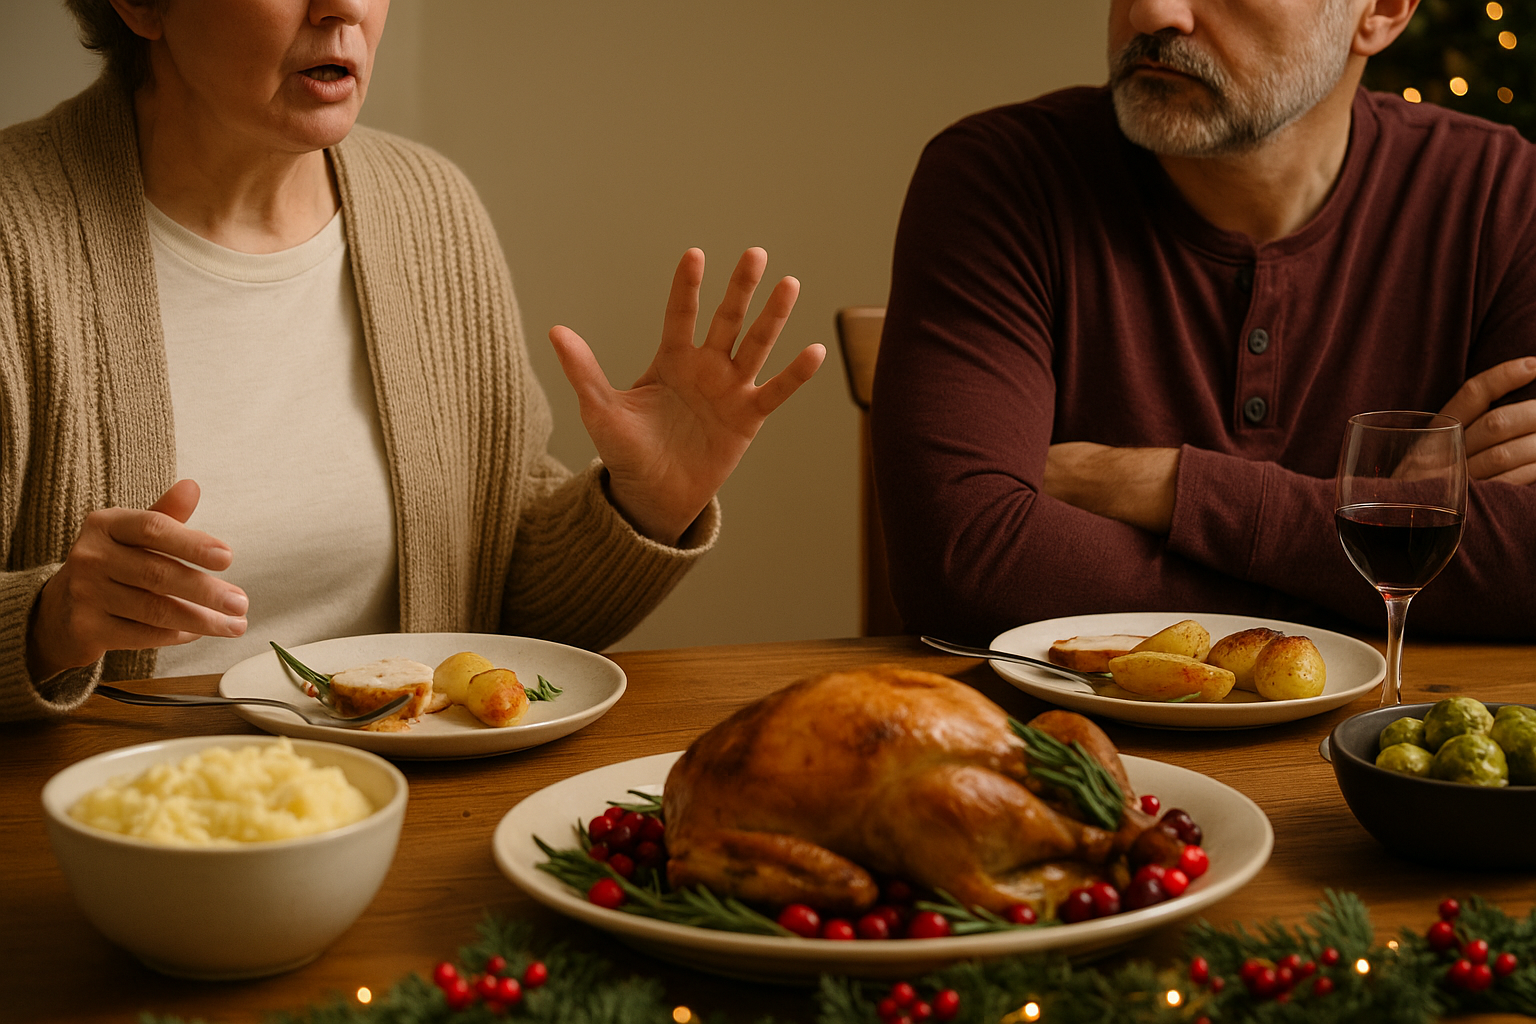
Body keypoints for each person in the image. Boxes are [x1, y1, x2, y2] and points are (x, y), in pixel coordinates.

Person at [0, 0, 825, 721]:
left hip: (408, 806)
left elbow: (500, 606)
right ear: (142, 4)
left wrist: (642, 508)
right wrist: (47, 623)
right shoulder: (15, 234)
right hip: (114, 816)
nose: (343, 7)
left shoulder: (429, 208)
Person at [872, 0, 1536, 644]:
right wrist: (1382, 545)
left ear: (1382, 10)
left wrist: (1166, 486)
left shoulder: (1504, 198)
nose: (1150, 13)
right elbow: (965, 567)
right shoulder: (1000, 176)